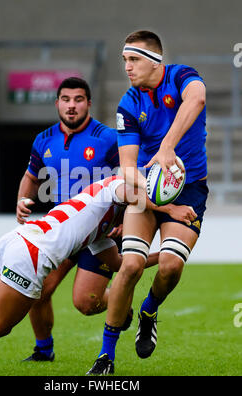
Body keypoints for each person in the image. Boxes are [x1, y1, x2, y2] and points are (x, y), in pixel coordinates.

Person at [0, 176, 196, 359]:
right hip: (32, 253)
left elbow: (119, 262)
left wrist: (165, 254)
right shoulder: (113, 186)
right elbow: (126, 192)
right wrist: (169, 208)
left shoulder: (102, 230)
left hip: (17, 238)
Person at [87, 30, 209, 375]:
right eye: (125, 60)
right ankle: (105, 357)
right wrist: (158, 200)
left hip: (190, 189)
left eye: (134, 59)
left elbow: (197, 99)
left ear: (156, 60)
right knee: (130, 267)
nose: (127, 67)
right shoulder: (128, 102)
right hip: (146, 191)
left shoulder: (182, 76)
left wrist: (167, 146)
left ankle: (149, 310)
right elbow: (128, 169)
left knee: (170, 266)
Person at [16, 76, 124, 362]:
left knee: (86, 304)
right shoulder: (43, 140)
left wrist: (125, 220)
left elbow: (129, 180)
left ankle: (120, 298)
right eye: (66, 100)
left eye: (78, 100)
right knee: (35, 291)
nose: (72, 106)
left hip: (99, 234)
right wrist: (21, 201)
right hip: (61, 230)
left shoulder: (109, 139)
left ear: (88, 103)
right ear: (57, 104)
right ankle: (43, 350)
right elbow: (30, 176)